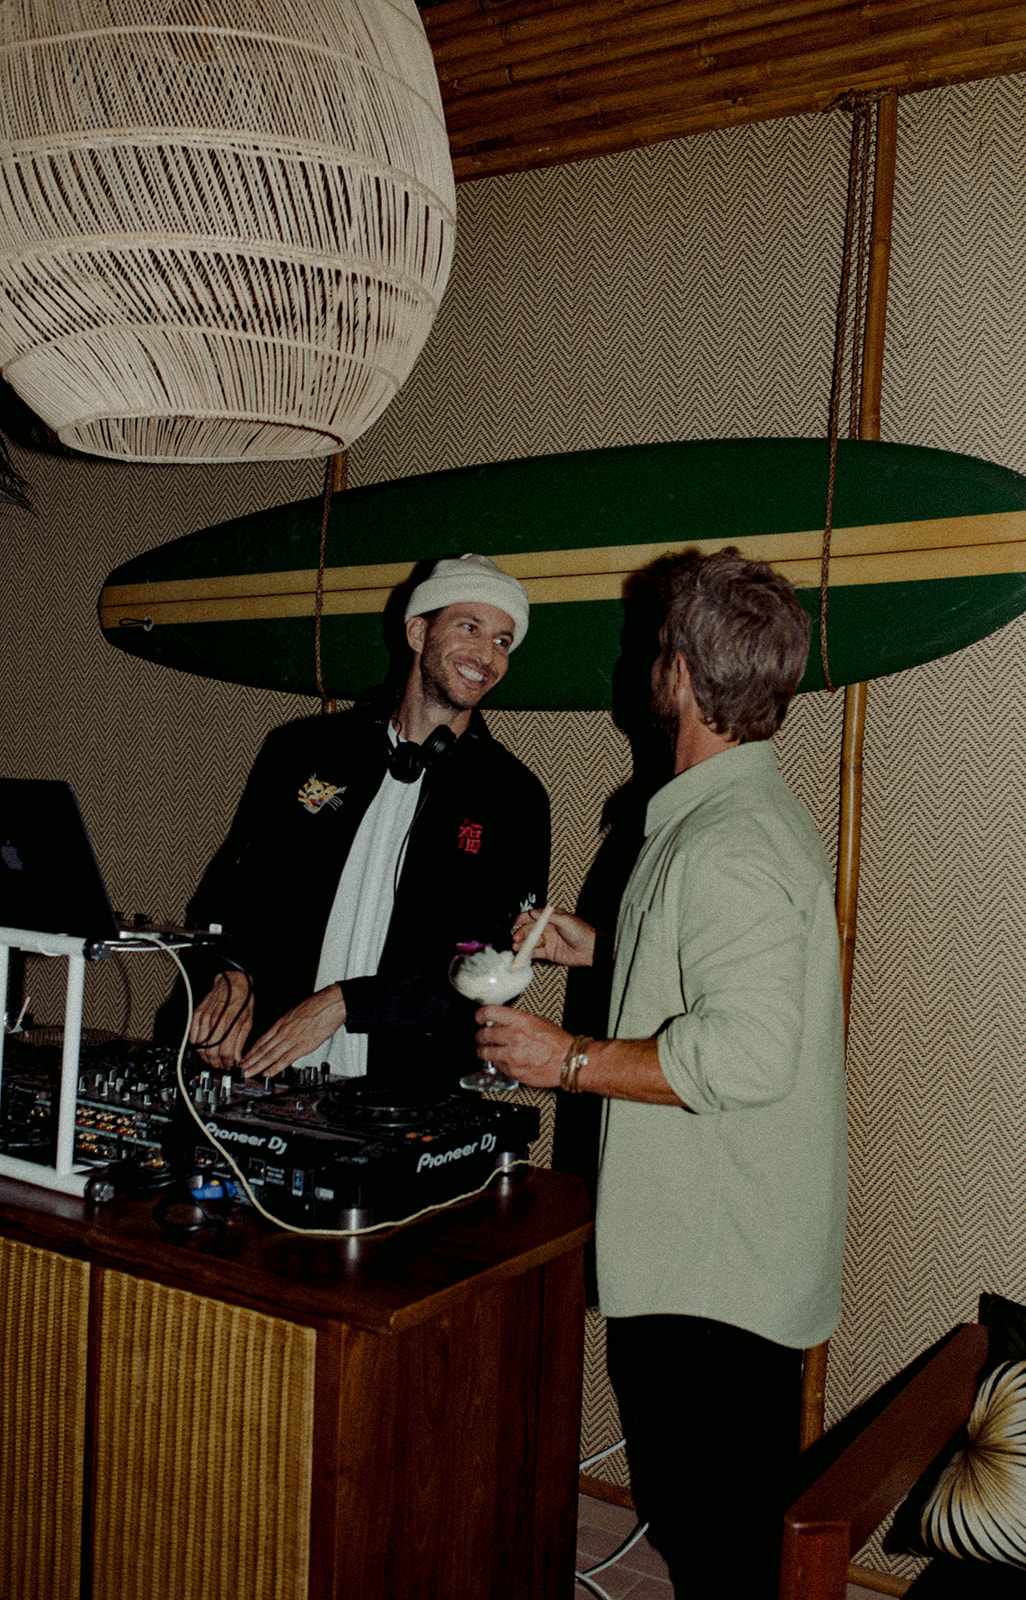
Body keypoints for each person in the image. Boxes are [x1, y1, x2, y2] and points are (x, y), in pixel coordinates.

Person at [479, 549, 847, 1599]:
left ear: (678, 674)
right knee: (716, 1529)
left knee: (715, 1543)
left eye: (655, 649)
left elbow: (747, 1053)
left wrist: (565, 1059)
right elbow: (717, 967)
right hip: (720, 1256)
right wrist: (601, 947)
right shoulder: (726, 813)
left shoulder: (727, 842)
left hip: (715, 1273)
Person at [185, 552, 551, 1082]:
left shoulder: (513, 796)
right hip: (267, 1068)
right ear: (418, 632)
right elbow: (228, 891)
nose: (487, 655)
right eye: (469, 627)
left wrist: (347, 1003)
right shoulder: (300, 750)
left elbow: (494, 963)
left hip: (408, 1089)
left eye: (502, 640)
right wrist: (229, 973)